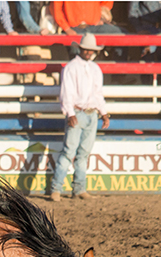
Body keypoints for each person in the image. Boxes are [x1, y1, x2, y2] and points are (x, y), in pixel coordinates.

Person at [48, 33, 109, 201]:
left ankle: (78, 188)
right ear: (81, 49)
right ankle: (57, 188)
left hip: (91, 113)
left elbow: (98, 94)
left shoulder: (95, 69)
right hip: (78, 112)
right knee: (69, 151)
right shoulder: (71, 67)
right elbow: (66, 92)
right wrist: (70, 112)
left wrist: (103, 113)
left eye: (91, 50)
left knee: (83, 153)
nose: (89, 52)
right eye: (86, 49)